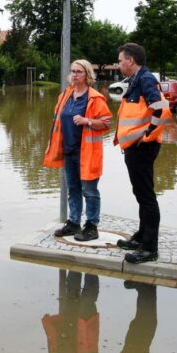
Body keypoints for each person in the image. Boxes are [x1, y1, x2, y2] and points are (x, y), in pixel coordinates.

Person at [114, 43, 172, 264]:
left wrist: (146, 136)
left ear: (130, 60)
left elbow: (162, 110)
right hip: (135, 147)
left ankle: (149, 248)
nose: (119, 64)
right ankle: (141, 236)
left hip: (142, 148)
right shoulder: (136, 80)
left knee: (146, 196)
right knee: (140, 193)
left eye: (120, 60)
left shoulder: (146, 79)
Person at [44, 59, 112, 241]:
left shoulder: (95, 98)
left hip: (87, 152)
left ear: (87, 75)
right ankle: (74, 223)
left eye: (79, 72)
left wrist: (87, 121)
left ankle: (91, 226)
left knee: (89, 191)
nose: (74, 74)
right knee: (73, 188)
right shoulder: (65, 96)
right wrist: (52, 145)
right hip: (68, 150)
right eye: (73, 71)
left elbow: (107, 122)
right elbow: (57, 123)